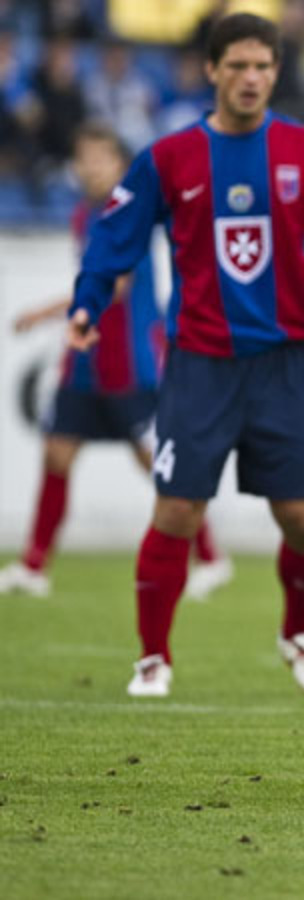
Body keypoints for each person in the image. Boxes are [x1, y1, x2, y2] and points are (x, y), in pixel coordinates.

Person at [67, 13, 304, 699]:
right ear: (212, 70)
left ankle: (298, 635)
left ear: (276, 72)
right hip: (201, 363)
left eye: (262, 66)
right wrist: (87, 304)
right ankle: (152, 657)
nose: (250, 78)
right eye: (238, 65)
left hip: (284, 363)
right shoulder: (168, 158)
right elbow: (114, 236)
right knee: (176, 513)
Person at [0, 124, 231, 602]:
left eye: (101, 157)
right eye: (84, 157)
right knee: (57, 454)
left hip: (131, 366)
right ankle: (34, 566)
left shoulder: (130, 214)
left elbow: (115, 285)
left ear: (120, 166)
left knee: (159, 466)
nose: (91, 167)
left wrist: (42, 313)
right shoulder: (83, 215)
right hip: (85, 364)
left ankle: (210, 556)